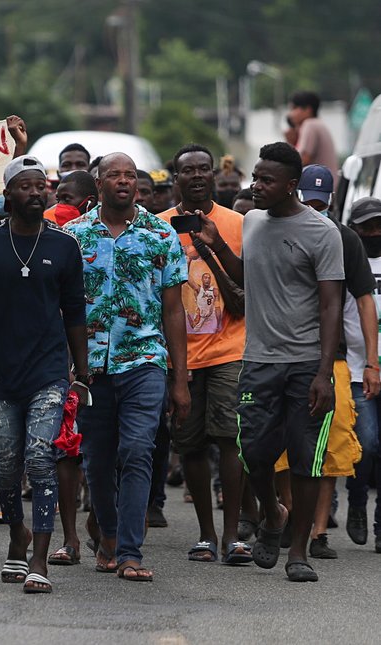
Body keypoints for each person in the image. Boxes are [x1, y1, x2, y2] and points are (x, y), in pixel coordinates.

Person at [193, 142, 344, 583]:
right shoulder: (254, 221)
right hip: (258, 360)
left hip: (305, 364)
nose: (255, 185)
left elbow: (331, 306)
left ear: (292, 186)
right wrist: (217, 245)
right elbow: (247, 277)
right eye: (255, 176)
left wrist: (323, 372)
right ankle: (272, 514)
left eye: (265, 180)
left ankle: (297, 551)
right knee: (254, 453)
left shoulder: (322, 232)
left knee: (304, 459)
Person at [0, 155, 89, 593]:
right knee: (6, 462)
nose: (37, 193)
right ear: (7, 195)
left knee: (40, 457)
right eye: (26, 186)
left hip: (49, 371)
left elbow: (75, 312)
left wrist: (83, 369)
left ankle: (39, 555)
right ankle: (17, 536)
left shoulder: (65, 245)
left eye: (42, 186)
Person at [64, 152, 190, 583]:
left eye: (130, 176)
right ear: (97, 183)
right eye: (114, 175)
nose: (123, 181)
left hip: (144, 360)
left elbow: (174, 312)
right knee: (97, 458)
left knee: (138, 451)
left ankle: (130, 552)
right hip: (91, 367)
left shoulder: (160, 235)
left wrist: (181, 378)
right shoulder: (73, 236)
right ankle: (110, 535)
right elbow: (61, 307)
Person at [276, 165, 376, 560]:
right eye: (308, 200)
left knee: (330, 448)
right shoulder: (273, 228)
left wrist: (371, 361)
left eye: (322, 201)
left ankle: (317, 530)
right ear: (295, 193)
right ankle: (286, 514)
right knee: (280, 447)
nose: (315, 208)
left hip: (330, 361)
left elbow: (365, 298)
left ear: (331, 200)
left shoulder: (344, 237)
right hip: (279, 353)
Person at [159, 144, 251, 565]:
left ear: (213, 175)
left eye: (204, 169)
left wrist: (213, 248)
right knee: (191, 443)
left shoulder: (237, 223)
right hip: (181, 356)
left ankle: (233, 535)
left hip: (230, 349)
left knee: (230, 438)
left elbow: (249, 281)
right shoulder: (158, 229)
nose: (197, 176)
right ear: (175, 178)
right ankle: (206, 534)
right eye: (188, 171)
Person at [345, 197, 381, 555]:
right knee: (366, 444)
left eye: (379, 225)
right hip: (358, 369)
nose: (374, 233)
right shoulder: (348, 259)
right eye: (367, 226)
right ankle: (357, 502)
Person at [288, 91, 339, 182]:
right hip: (327, 185)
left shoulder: (309, 125)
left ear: (308, 110)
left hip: (320, 187)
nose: (291, 114)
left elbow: (303, 159)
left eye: (294, 108)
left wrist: (289, 144)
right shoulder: (318, 124)